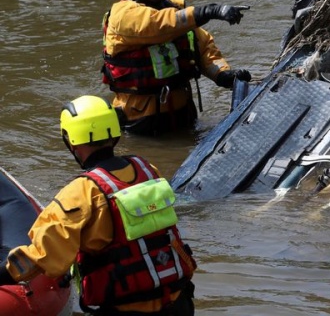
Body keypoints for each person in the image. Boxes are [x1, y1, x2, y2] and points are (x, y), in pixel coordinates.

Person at [0, 95, 197, 315]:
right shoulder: (148, 169)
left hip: (126, 308)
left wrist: (4, 273)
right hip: (178, 301)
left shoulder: (79, 193)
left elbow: (41, 256)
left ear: (71, 141)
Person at [102, 0, 252, 136]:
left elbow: (201, 45)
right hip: (141, 121)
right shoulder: (122, 15)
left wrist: (223, 75)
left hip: (184, 114)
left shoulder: (173, 7)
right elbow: (158, 25)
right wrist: (210, 11)